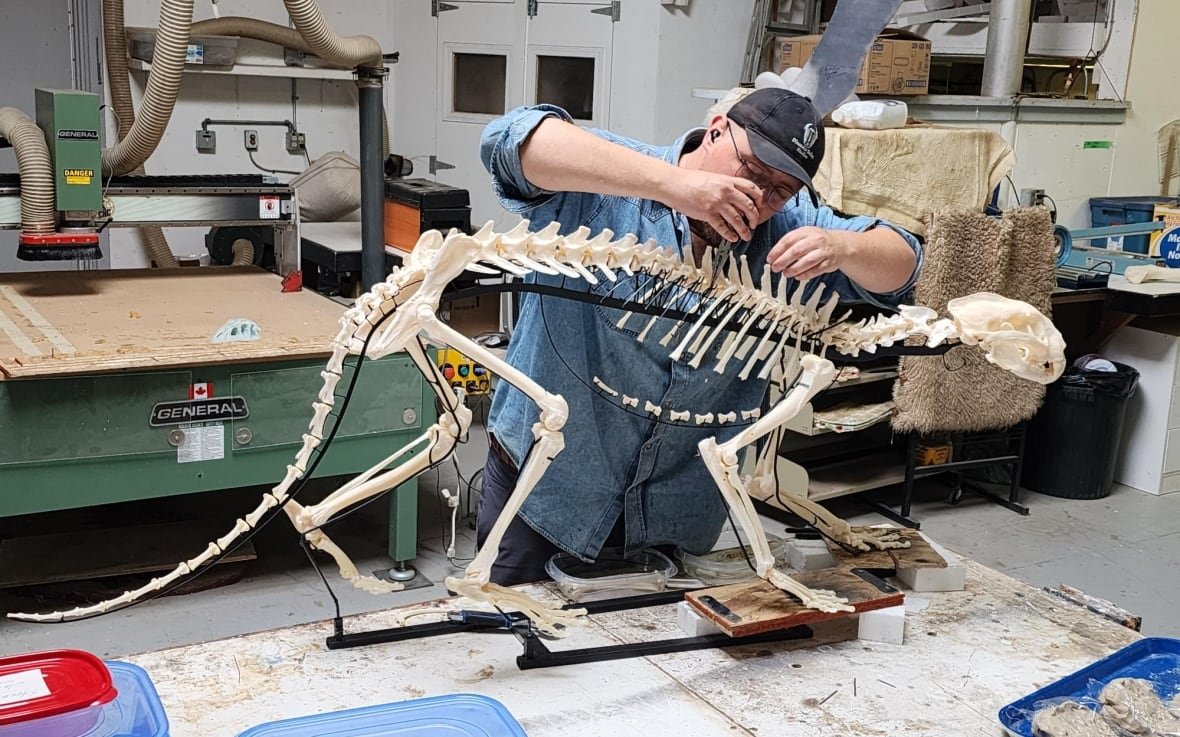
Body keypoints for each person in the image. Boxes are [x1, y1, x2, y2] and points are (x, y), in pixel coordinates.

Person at [473, 88, 923, 585]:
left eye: (779, 190)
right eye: (751, 170)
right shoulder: (610, 184)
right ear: (715, 130)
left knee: (646, 653)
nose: (758, 195)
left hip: (674, 517)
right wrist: (676, 186)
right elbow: (509, 141)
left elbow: (905, 261)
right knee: (510, 634)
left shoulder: (784, 229)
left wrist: (841, 247)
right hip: (548, 488)